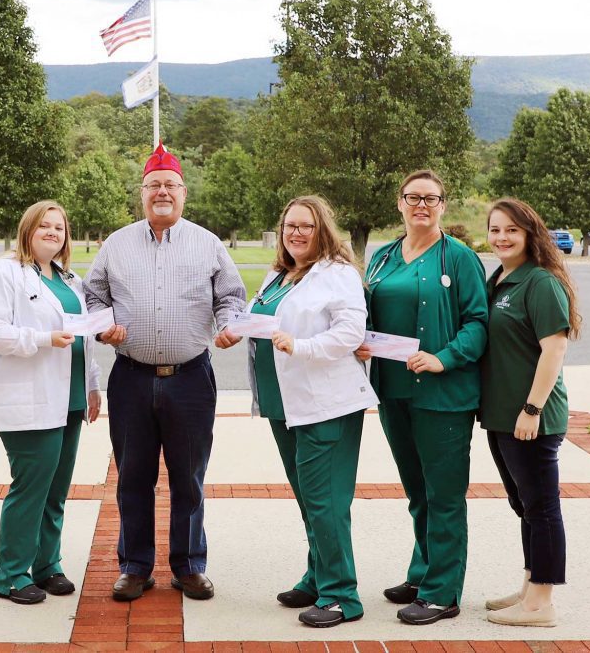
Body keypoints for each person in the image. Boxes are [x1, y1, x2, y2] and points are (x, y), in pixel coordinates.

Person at [84, 142, 246, 602]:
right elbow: (94, 297)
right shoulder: (116, 244)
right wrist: (104, 327)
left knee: (188, 475)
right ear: (142, 192)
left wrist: (231, 324)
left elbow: (231, 297)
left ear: (183, 191)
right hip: (131, 376)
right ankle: (135, 566)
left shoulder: (208, 243)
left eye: (169, 185)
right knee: (133, 475)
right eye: (153, 185)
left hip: (191, 377)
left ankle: (189, 564)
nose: (161, 192)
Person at [356, 169, 488, 625]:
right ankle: (423, 572)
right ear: (399, 203)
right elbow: (367, 312)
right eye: (413, 197)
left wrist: (443, 358)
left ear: (443, 206)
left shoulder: (460, 258)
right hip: (394, 391)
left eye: (431, 199)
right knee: (417, 491)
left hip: (443, 395)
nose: (421, 206)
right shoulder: (383, 257)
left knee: (444, 494)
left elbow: (479, 323)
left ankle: (442, 592)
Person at [245, 196, 379, 628]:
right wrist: (237, 330)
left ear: (322, 229)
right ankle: (319, 576)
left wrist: (300, 346)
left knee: (326, 502)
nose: (296, 233)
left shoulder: (337, 275)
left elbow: (348, 332)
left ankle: (342, 596)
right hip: (285, 404)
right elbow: (263, 320)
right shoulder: (280, 274)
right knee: (309, 500)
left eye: (306, 226)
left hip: (326, 404)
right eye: (289, 226)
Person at [0, 200, 103, 605]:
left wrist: (94, 387)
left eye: (59, 227)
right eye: (44, 226)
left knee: (56, 490)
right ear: (27, 229)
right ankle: (12, 574)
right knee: (31, 487)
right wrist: (43, 339)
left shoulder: (70, 280)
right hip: (28, 397)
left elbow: (84, 336)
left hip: (69, 396)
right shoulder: (2, 271)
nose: (53, 232)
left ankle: (48, 565)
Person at [479, 198, 580, 627]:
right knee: (523, 504)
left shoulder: (540, 282)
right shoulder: (500, 278)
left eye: (511, 231)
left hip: (531, 416)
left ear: (529, 234)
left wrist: (532, 408)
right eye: (495, 229)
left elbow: (554, 347)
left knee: (541, 506)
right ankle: (528, 586)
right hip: (502, 414)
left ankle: (541, 604)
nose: (502, 237)